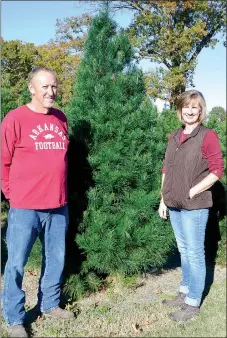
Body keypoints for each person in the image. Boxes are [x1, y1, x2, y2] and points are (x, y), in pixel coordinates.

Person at [1, 67, 74, 338]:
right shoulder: (15, 118)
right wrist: (12, 194)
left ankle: (50, 304)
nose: (50, 92)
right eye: (44, 87)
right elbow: (2, 160)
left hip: (58, 205)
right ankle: (13, 317)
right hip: (25, 207)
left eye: (53, 86)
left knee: (55, 259)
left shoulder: (60, 118)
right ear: (32, 88)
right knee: (16, 263)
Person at [158, 90, 224, 321]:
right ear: (180, 109)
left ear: (200, 110)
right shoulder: (174, 136)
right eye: (186, 106)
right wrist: (163, 199)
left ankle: (193, 302)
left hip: (195, 205)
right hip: (174, 202)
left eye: (195, 107)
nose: (190, 110)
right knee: (184, 250)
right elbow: (166, 168)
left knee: (194, 253)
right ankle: (184, 291)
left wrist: (193, 190)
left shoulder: (208, 136)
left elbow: (217, 170)